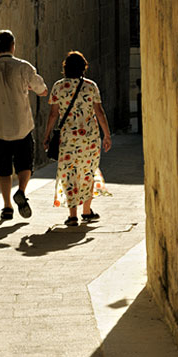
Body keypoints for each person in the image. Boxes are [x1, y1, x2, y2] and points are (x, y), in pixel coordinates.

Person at [0, 30, 48, 220]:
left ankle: (7, 206)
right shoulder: (24, 67)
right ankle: (22, 192)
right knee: (25, 164)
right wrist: (30, 88)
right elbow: (42, 90)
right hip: (22, 125)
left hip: (0, 127)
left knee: (3, 168)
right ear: (13, 45)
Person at [42, 51, 111, 226]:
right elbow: (99, 113)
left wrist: (47, 135)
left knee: (69, 173)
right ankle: (86, 212)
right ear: (83, 68)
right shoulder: (90, 86)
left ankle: (72, 215)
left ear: (65, 68)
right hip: (90, 138)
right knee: (88, 172)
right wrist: (107, 135)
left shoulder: (58, 86)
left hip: (68, 140)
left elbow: (53, 114)